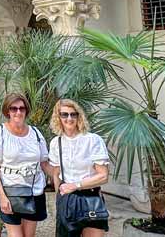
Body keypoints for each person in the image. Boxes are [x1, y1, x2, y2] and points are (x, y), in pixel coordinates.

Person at [0, 93, 53, 237]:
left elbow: (44, 164)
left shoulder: (35, 133)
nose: (18, 112)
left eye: (22, 108)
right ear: (7, 111)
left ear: (26, 110)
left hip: (34, 190)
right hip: (10, 190)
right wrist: (2, 197)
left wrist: (64, 177)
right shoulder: (0, 132)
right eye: (13, 108)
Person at [48, 99, 110, 236]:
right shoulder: (56, 143)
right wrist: (60, 200)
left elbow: (103, 176)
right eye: (64, 114)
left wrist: (75, 185)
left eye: (73, 114)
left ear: (79, 116)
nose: (69, 118)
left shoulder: (93, 140)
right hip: (68, 200)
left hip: (90, 198)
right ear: (58, 117)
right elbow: (56, 174)